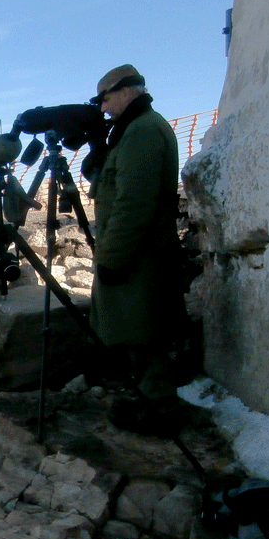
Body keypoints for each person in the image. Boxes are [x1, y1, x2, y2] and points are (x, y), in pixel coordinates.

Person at [88, 64, 187, 435]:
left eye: (105, 99)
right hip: (138, 249)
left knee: (143, 330)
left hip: (139, 252)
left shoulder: (143, 130)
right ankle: (148, 396)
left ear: (125, 91)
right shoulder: (134, 130)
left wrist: (111, 258)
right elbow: (112, 185)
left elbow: (134, 202)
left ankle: (159, 410)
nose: (103, 108)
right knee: (136, 326)